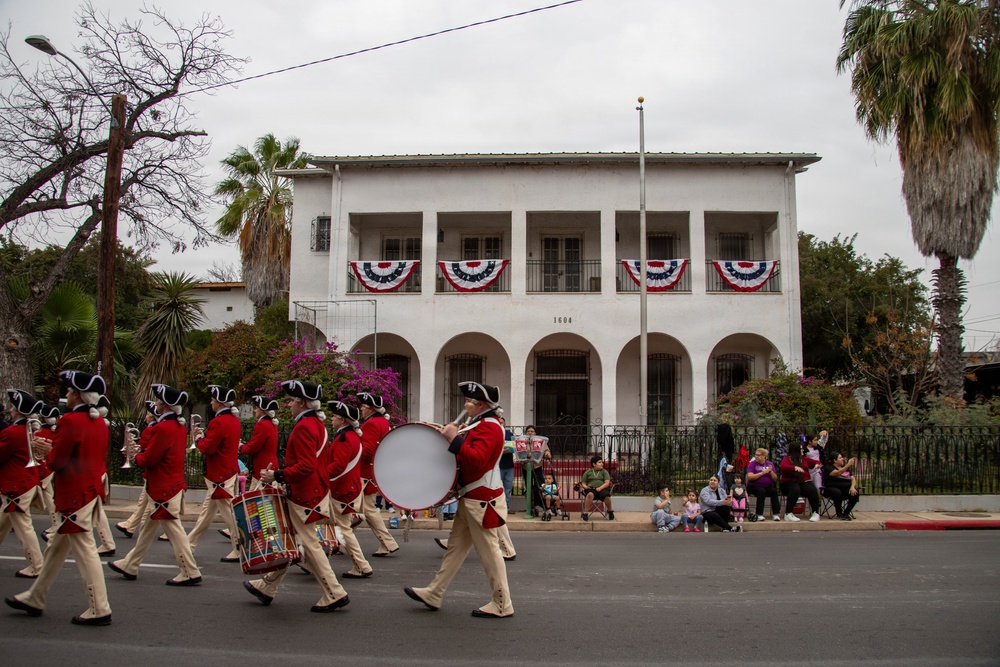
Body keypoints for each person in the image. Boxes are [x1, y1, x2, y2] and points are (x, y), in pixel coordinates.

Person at [6, 370, 112, 625]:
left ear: (77, 394)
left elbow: (58, 461)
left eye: (68, 391)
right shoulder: (97, 421)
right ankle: (35, 596)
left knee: (85, 550)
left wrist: (46, 451)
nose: (65, 395)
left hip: (75, 493)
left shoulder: (71, 421)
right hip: (88, 491)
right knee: (55, 550)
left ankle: (100, 608)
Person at [404, 380, 513, 618]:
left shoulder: (490, 427)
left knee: (490, 553)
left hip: (481, 499)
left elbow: (476, 460)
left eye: (470, 401)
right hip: (473, 497)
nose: (466, 404)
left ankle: (503, 603)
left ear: (481, 404)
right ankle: (434, 592)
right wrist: (461, 434)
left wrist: (455, 439)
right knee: (455, 549)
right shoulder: (482, 424)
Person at [244, 380, 350, 613]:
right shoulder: (317, 424)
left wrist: (278, 475)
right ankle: (267, 586)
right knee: (291, 540)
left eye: (292, 400)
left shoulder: (304, 426)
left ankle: (334, 591)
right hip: (312, 490)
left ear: (302, 402)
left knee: (309, 544)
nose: (288, 404)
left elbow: (305, 466)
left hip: (304, 492)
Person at [108, 384, 201, 586]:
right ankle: (130, 564)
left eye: (159, 401)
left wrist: (135, 457)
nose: (156, 405)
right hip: (167, 485)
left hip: (163, 488)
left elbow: (151, 458)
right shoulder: (177, 425)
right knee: (147, 529)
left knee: (175, 532)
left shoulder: (162, 427)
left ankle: (190, 571)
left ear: (165, 405)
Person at [187, 385, 242, 562]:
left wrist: (198, 439)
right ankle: (189, 544)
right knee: (206, 514)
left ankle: (239, 547)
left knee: (229, 515)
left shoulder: (218, 422)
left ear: (219, 402)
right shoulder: (234, 420)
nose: (210, 402)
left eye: (212, 399)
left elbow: (208, 448)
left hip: (219, 474)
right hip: (227, 470)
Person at [326, 400, 373, 579]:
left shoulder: (344, 439)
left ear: (343, 420)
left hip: (342, 489)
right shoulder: (351, 436)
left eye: (334, 417)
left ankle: (361, 565)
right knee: (337, 526)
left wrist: (319, 476)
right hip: (348, 487)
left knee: (344, 528)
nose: (331, 419)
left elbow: (338, 466)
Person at [0, 389, 45, 578]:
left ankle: (36, 565)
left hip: (16, 486)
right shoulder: (29, 429)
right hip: (26, 481)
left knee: (24, 527)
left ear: (18, 411)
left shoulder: (11, 432)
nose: (10, 410)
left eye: (13, 407)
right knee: (2, 523)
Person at [356, 392, 400, 558]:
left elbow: (367, 450)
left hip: (364, 471)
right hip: (371, 471)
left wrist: (351, 456)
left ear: (371, 409)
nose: (361, 408)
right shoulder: (382, 422)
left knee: (365, 509)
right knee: (354, 508)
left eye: (363, 406)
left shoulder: (371, 424)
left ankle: (387, 542)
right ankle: (343, 541)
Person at [116, 401, 159, 539]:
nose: (146, 416)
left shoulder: (150, 430)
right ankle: (131, 525)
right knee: (146, 503)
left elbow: (145, 448)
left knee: (147, 503)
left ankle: (132, 525)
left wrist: (133, 449)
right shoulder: (156, 428)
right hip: (154, 473)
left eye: (147, 414)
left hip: (151, 472)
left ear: (152, 417)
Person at [240, 395, 279, 492]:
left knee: (262, 503)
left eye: (256, 408)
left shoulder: (262, 424)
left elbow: (253, 447)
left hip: (264, 468)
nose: (254, 410)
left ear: (263, 410)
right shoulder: (271, 424)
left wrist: (241, 447)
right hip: (265, 468)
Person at [779, 441, 822, 523]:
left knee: (812, 490)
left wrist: (817, 465)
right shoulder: (787, 459)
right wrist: (794, 467)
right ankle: (788, 513)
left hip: (803, 482)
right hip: (789, 482)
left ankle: (815, 513)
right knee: (795, 489)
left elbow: (816, 462)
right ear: (796, 450)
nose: (803, 450)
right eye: (801, 449)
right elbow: (783, 467)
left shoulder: (804, 459)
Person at [521, 425, 550, 517]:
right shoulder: (522, 442)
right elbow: (519, 453)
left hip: (537, 466)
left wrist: (547, 454)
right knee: (528, 487)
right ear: (526, 433)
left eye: (532, 431)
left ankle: (541, 504)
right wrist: (527, 454)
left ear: (535, 433)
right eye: (528, 431)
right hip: (526, 467)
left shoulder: (539, 441)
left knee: (540, 486)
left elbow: (545, 450)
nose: (530, 433)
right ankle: (530, 506)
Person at [746, 447, 781, 521]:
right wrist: (762, 473)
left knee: (774, 491)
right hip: (753, 486)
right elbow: (750, 477)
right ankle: (759, 514)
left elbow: (775, 479)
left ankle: (776, 514)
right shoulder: (752, 464)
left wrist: (770, 472)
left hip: (767, 486)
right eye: (755, 455)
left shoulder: (770, 464)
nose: (756, 457)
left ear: (764, 456)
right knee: (761, 491)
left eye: (758, 455)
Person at [823, 452, 861, 520]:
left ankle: (846, 513)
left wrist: (852, 487)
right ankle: (839, 513)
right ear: (835, 460)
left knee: (855, 493)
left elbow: (853, 479)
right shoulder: (828, 467)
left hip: (845, 489)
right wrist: (848, 465)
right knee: (837, 492)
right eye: (840, 458)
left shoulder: (845, 468)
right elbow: (837, 473)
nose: (843, 459)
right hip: (832, 489)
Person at [580, 455, 614, 521]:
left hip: (602, 489)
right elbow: (583, 483)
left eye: (602, 462)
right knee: (590, 494)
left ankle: (610, 512)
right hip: (591, 489)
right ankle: (585, 513)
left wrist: (600, 488)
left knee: (607, 496)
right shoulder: (588, 472)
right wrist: (586, 487)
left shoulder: (604, 472)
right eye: (599, 462)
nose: (602, 464)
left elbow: (607, 482)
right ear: (594, 464)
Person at [498, 411, 516, 510]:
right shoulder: (494, 433)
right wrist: (501, 451)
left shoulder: (509, 433)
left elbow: (513, 445)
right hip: (498, 465)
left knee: (508, 487)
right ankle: (499, 507)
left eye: (502, 422)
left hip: (509, 465)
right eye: (499, 422)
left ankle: (506, 506)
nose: (501, 423)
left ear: (505, 423)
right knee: (498, 487)